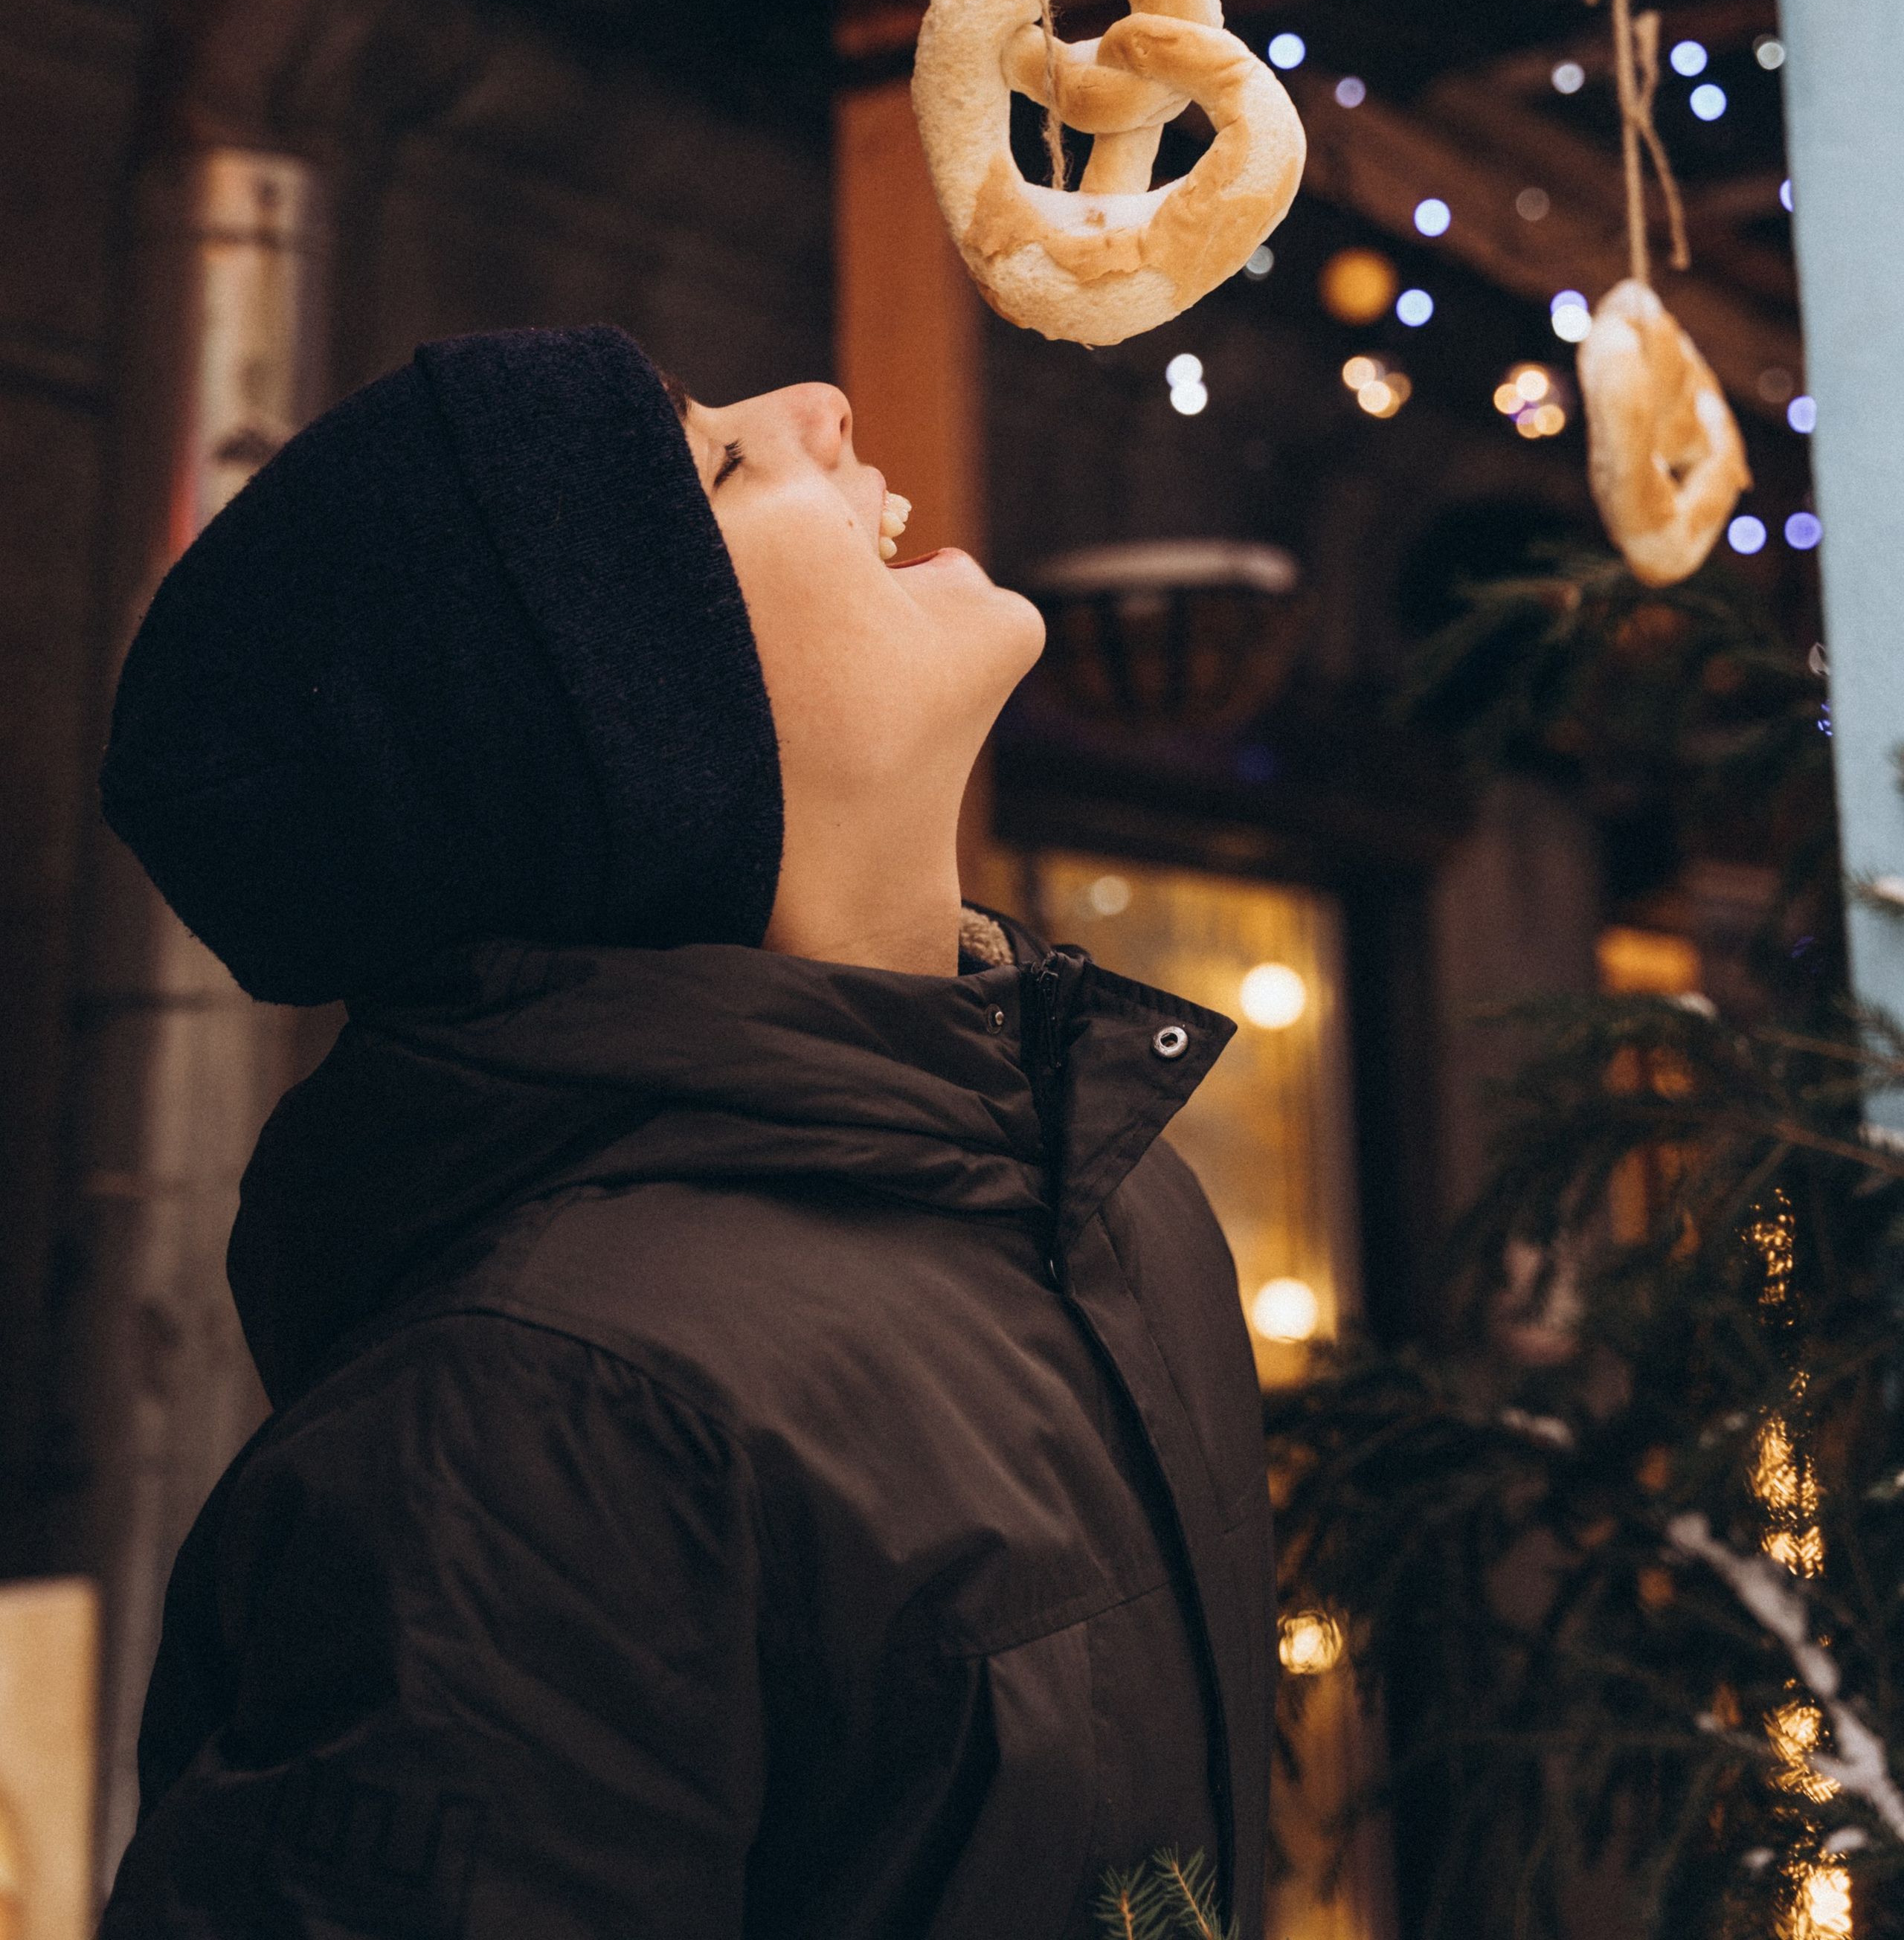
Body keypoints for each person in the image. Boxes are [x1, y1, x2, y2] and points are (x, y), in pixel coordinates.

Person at [96, 324, 1273, 1940]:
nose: (820, 405)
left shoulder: (1105, 1194)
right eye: (719, 462)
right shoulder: (539, 1423)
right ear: (635, 740)